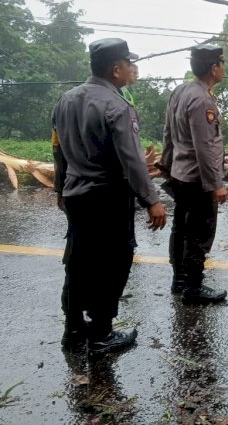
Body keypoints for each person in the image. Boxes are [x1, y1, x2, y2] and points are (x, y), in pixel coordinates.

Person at [52, 38, 167, 357]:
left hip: (76, 195)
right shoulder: (118, 106)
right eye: (129, 63)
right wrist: (151, 200)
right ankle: (101, 333)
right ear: (116, 69)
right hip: (108, 198)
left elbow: (58, 150)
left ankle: (73, 329)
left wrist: (61, 189)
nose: (133, 68)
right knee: (113, 262)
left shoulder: (66, 99)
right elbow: (130, 160)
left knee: (79, 262)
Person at [161, 43, 228, 305]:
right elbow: (205, 146)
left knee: (181, 228)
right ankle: (193, 288)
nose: (224, 69)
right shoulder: (202, 99)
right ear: (214, 68)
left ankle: (179, 279)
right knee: (199, 233)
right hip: (197, 179)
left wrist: (167, 165)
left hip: (180, 175)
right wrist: (216, 185)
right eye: (222, 64)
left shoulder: (180, 91)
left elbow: (168, 133)